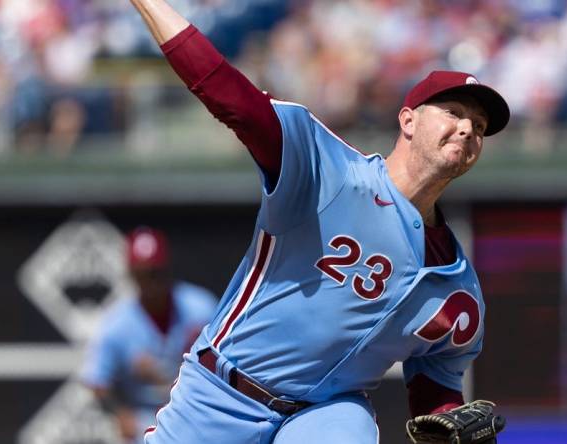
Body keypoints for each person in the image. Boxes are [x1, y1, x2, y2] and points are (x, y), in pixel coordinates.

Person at [129, 1, 511, 443]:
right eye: (453, 112)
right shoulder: (329, 172)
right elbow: (229, 95)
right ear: (408, 120)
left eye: (479, 125)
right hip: (223, 393)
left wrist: (446, 424)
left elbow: (436, 393)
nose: (468, 129)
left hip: (326, 414)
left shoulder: (458, 292)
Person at [80, 226, 217, 444]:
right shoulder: (117, 323)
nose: (151, 283)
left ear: (167, 269)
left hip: (196, 412)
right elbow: (97, 381)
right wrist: (121, 413)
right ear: (131, 275)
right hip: (144, 417)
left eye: (156, 273)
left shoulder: (200, 308)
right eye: (142, 275)